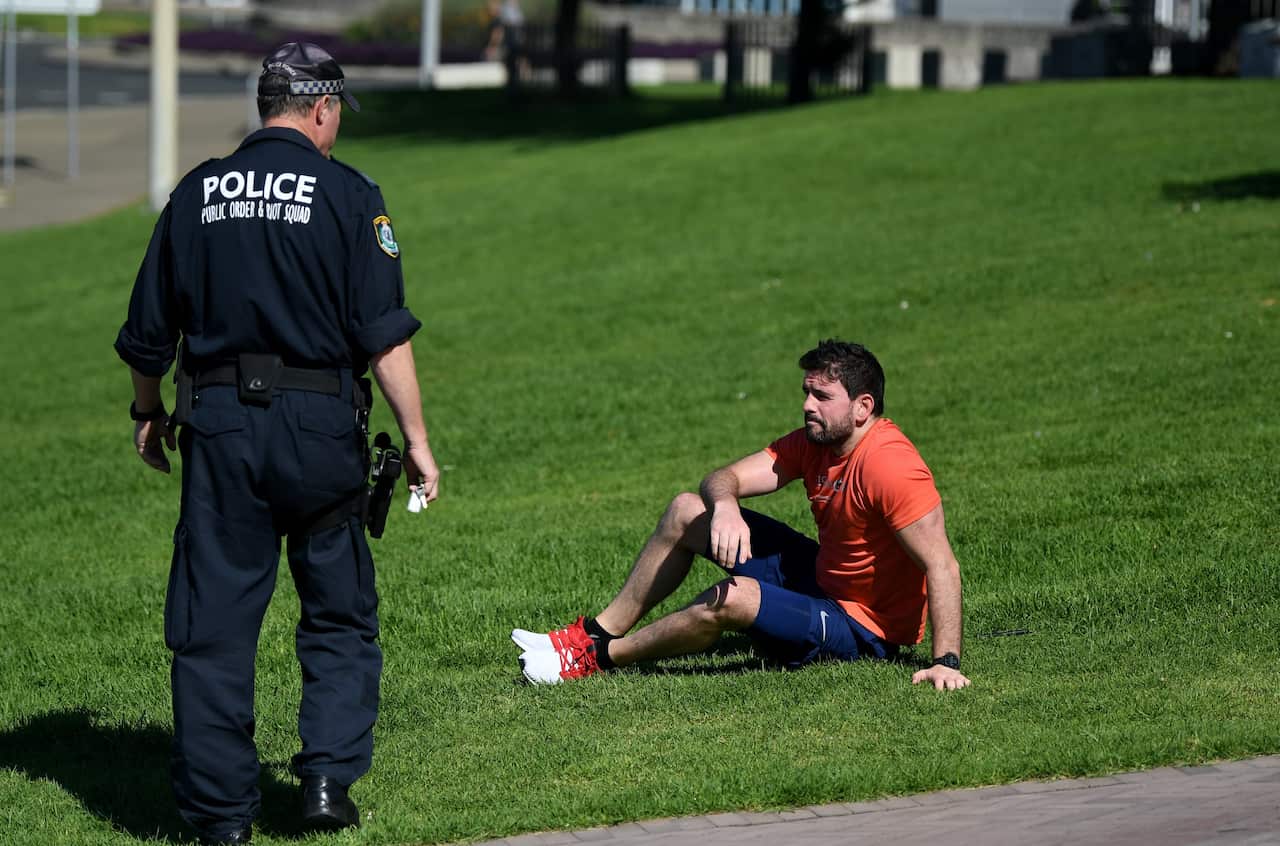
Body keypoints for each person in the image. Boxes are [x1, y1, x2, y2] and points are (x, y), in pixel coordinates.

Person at [114, 42, 441, 845]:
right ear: (321, 109)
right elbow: (384, 339)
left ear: (267, 105)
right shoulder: (348, 195)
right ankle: (326, 780)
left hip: (220, 427)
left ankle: (224, 819)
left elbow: (149, 335)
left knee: (214, 622)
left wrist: (146, 414)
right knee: (335, 608)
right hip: (322, 429)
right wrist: (418, 441)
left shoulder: (195, 194)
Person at [513, 340, 969, 692]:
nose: (808, 405)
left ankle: (600, 658)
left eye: (822, 396)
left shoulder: (892, 466)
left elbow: (942, 566)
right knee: (687, 509)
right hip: (822, 580)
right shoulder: (815, 443)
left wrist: (945, 662)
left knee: (733, 598)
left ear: (863, 407)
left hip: (865, 630)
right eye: (806, 392)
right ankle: (591, 634)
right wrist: (726, 505)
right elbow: (723, 477)